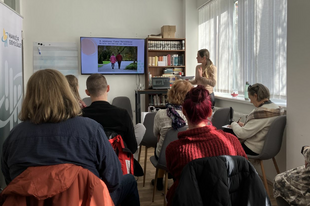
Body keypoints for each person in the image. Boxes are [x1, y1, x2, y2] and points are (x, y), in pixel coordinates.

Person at [1, 69, 140, 206]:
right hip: (84, 202)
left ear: (29, 97)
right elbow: (114, 178)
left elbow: (12, 182)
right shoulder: (91, 129)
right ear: (66, 93)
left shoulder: (13, 137)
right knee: (129, 181)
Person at [165, 85, 247, 205]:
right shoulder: (232, 141)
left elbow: (177, 179)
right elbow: (243, 171)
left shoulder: (175, 149)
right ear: (209, 112)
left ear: (183, 111)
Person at [82, 73, 145, 155]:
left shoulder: (82, 115)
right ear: (108, 88)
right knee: (140, 127)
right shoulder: (122, 114)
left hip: (92, 162)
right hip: (118, 162)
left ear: (87, 92)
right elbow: (132, 148)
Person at [152, 79, 192, 190]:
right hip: (184, 155)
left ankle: (159, 180)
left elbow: (155, 134)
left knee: (162, 143)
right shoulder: (190, 115)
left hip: (163, 157)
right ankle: (177, 180)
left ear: (171, 93)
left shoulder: (160, 114)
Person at [230, 83, 285, 155]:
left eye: (250, 98)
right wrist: (244, 125)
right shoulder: (276, 109)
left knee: (224, 144)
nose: (250, 101)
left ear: (255, 96)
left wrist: (233, 123)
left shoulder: (261, 113)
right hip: (270, 148)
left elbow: (241, 134)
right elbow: (262, 127)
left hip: (254, 148)